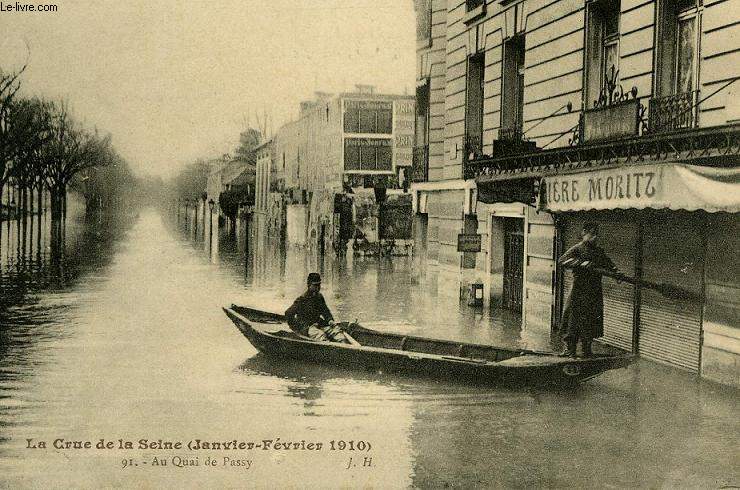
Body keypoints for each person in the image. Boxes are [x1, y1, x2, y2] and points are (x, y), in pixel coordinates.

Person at [558, 222, 619, 358]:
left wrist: (616, 272)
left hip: (594, 291)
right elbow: (562, 260)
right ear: (584, 234)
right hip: (579, 290)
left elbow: (609, 264)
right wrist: (581, 263)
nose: (595, 237)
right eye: (591, 234)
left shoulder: (599, 252)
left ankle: (587, 350)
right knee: (573, 320)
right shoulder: (577, 249)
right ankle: (570, 349)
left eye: (596, 234)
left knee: (591, 320)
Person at [284, 273, 351, 343]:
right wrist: (299, 328)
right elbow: (288, 313)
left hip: (320, 324)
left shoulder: (319, 297)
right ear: (309, 285)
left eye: (319, 285)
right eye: (315, 285)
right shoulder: (302, 299)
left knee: (339, 335)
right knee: (322, 338)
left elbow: (325, 311)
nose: (318, 287)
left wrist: (330, 320)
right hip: (308, 327)